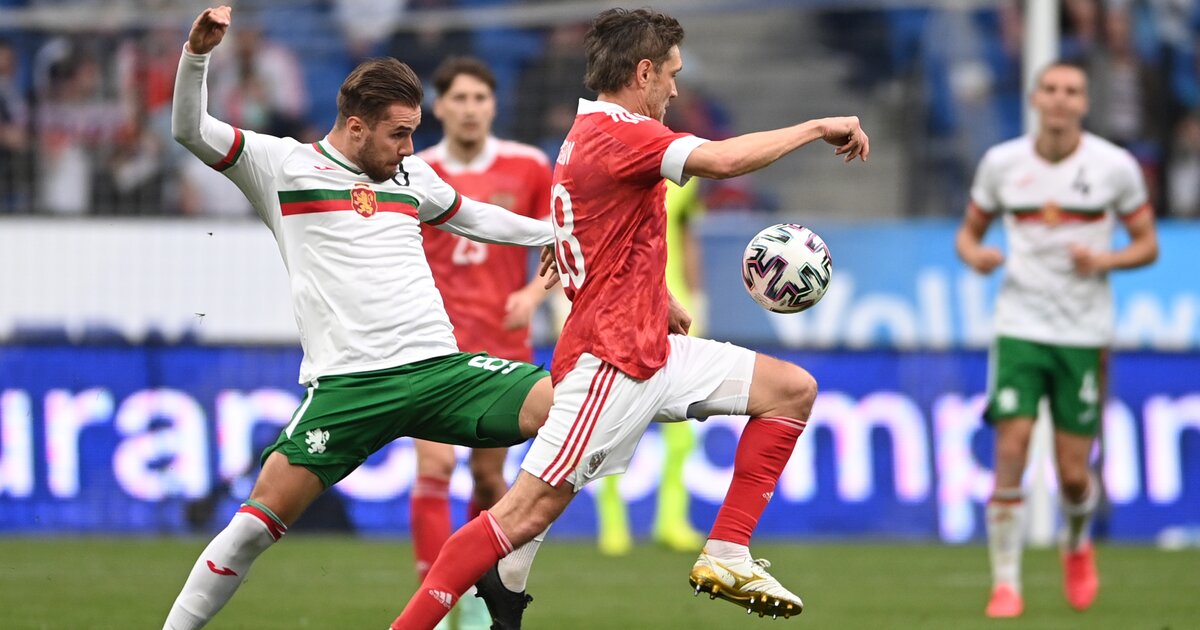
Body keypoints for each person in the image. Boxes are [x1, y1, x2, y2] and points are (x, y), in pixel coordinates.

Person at [391, 7, 870, 628]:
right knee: (519, 515)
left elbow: (598, 233)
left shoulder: (590, 133)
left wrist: (655, 295)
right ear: (643, 72)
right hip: (610, 364)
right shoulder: (622, 133)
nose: (675, 89)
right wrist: (817, 126)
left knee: (791, 391)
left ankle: (726, 551)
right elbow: (723, 162)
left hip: (651, 348)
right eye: (671, 74)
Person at [162, 7, 558, 629]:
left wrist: (554, 235)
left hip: (440, 371)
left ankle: (498, 581)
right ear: (355, 126)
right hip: (350, 387)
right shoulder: (281, 165)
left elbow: (474, 216)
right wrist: (198, 55)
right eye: (399, 134)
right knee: (252, 530)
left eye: (413, 133)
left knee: (569, 408)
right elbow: (190, 129)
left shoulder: (409, 173)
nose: (409, 148)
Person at [955, 61, 1158, 618]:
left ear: (1085, 103)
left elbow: (1147, 244)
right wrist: (978, 257)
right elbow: (968, 236)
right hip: (1019, 325)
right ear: (1035, 98)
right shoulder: (1002, 164)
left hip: (1082, 332)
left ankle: (1077, 540)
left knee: (1073, 474)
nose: (1061, 99)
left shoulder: (1114, 167)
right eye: (1051, 89)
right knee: (1011, 449)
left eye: (1072, 91)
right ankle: (1006, 584)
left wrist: (1105, 260)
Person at [410, 55, 554, 629]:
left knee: (489, 479)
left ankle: (474, 592)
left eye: (480, 98)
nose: (470, 109)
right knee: (435, 465)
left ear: (493, 106)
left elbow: (559, 244)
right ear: (440, 107)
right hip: (433, 346)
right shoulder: (415, 170)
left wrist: (533, 296)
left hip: (503, 346)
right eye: (459, 99)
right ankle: (435, 602)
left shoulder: (529, 166)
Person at [594, 177, 705, 556]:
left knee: (683, 426)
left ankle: (671, 520)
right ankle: (612, 521)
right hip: (621, 308)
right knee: (613, 420)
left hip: (677, 307)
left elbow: (687, 236)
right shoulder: (613, 170)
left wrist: (698, 296)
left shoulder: (687, 175)